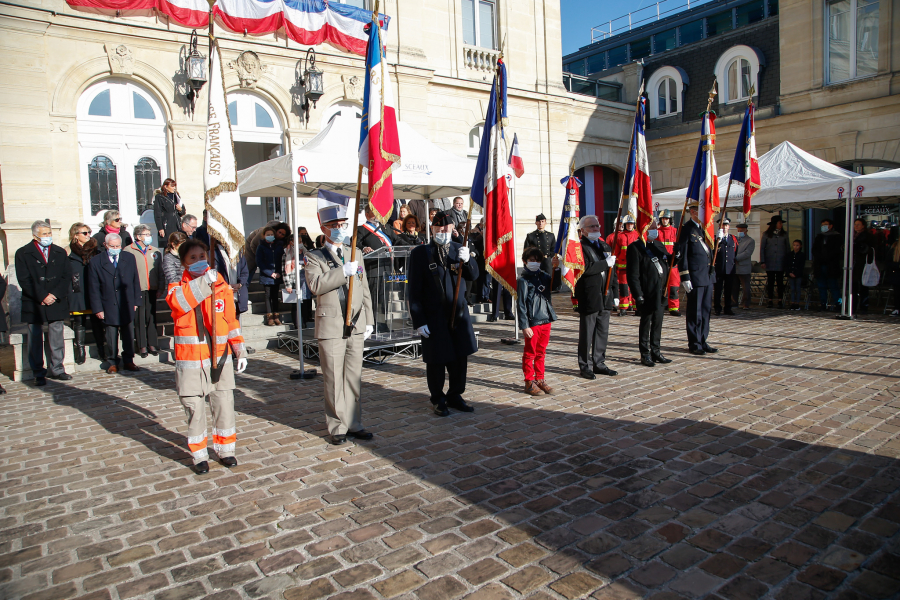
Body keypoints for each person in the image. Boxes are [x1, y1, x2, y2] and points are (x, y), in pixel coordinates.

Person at [167, 239, 248, 474]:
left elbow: (230, 321)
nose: (199, 261)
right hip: (191, 362)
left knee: (224, 404)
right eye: (193, 258)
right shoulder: (177, 288)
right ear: (183, 263)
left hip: (218, 359)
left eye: (202, 256)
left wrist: (239, 349)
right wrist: (204, 282)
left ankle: (226, 450)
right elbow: (181, 303)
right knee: (195, 410)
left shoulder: (220, 284)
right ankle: (199, 454)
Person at [305, 196, 375, 445]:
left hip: (355, 322)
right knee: (334, 378)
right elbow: (315, 285)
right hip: (332, 324)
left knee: (354, 376)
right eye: (334, 224)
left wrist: (369, 318)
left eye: (343, 224)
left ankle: (355, 422)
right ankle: (337, 426)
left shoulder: (354, 252)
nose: (340, 229)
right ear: (324, 228)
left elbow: (364, 287)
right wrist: (341, 273)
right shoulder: (314, 257)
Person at [408, 210, 479, 416]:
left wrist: (469, 260)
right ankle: (438, 398)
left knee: (459, 358)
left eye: (446, 227)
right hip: (434, 315)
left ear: (452, 229)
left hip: (458, 314)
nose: (443, 230)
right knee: (436, 359)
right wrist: (418, 319)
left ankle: (455, 394)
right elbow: (413, 290)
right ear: (432, 228)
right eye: (438, 227)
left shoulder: (459, 249)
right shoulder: (420, 253)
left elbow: (473, 274)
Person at [15, 221, 73, 385]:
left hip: (56, 299)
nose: (48, 236)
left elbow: (66, 275)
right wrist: (42, 296)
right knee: (35, 336)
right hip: (35, 301)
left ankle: (57, 368)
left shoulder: (59, 252)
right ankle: (38, 372)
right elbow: (24, 279)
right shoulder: (23, 253)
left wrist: (54, 294)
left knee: (56, 334)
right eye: (44, 234)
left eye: (49, 233)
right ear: (35, 235)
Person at [87, 233, 142, 374]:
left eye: (118, 246)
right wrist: (98, 308)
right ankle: (112, 361)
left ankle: (129, 359)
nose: (116, 248)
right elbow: (93, 287)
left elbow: (135, 280)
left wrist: (136, 300)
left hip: (126, 301)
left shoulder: (129, 258)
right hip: (108, 302)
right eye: (112, 246)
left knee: (129, 334)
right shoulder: (96, 261)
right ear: (105, 245)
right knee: (111, 335)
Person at [572, 215, 618, 379]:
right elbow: (584, 268)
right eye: (591, 226)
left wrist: (616, 293)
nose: (595, 229)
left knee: (602, 332)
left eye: (597, 226)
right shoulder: (579, 247)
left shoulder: (604, 246)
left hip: (605, 295)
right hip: (590, 295)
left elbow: (613, 273)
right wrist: (606, 263)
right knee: (587, 333)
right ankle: (585, 365)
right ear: (582, 230)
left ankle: (599, 363)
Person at [626, 219, 672, 367]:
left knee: (658, 322)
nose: (655, 229)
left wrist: (677, 254)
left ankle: (656, 351)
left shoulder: (658, 245)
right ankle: (645, 353)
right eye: (651, 227)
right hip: (647, 291)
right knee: (646, 323)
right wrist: (637, 295)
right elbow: (633, 275)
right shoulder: (635, 247)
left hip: (660, 291)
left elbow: (669, 262)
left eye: (655, 227)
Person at [517, 247, 558, 396]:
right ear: (525, 262)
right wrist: (524, 325)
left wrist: (556, 268)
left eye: (537, 260)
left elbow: (556, 285)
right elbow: (521, 304)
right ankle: (529, 381)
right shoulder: (523, 280)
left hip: (546, 319)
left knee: (541, 352)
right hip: (532, 322)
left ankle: (540, 378)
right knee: (530, 353)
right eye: (531, 260)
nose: (535, 263)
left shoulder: (545, 276)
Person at [678, 202, 717, 355]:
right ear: (693, 212)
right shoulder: (686, 229)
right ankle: (694, 343)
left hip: (707, 275)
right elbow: (683, 255)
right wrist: (685, 276)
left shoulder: (704, 229)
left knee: (706, 310)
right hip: (694, 276)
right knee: (695, 311)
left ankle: (703, 339)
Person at [124, 224, 166, 358]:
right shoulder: (128, 250)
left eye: (149, 234)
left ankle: (152, 343)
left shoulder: (155, 251)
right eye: (146, 235)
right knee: (140, 319)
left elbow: (160, 271)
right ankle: (142, 345)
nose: (149, 237)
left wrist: (161, 287)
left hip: (152, 288)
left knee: (151, 317)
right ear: (138, 236)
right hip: (138, 289)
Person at [66, 222, 105, 365]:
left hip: (93, 289)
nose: (88, 235)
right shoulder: (68, 251)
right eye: (84, 233)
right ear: (76, 235)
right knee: (79, 322)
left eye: (89, 232)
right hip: (77, 290)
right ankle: (80, 351)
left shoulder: (96, 250)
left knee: (97, 321)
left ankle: (101, 349)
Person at [607, 215, 639, 316]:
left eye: (631, 224)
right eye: (628, 224)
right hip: (622, 267)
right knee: (624, 288)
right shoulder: (619, 236)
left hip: (635, 266)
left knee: (635, 287)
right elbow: (615, 253)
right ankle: (623, 308)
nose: (630, 226)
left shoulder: (638, 235)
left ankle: (637, 307)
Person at [811, 218, 843, 311]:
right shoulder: (819, 237)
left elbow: (837, 251)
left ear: (831, 226)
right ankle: (823, 304)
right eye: (822, 225)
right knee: (821, 286)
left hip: (831, 265)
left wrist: (827, 257)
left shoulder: (837, 236)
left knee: (834, 286)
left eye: (825, 224)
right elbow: (814, 249)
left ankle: (838, 304)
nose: (823, 227)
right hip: (820, 265)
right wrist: (819, 257)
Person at [256, 226, 284, 326]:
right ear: (264, 236)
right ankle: (270, 317)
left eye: (272, 234)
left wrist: (279, 273)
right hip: (266, 275)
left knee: (275, 295)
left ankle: (276, 316)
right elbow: (260, 262)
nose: (270, 236)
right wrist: (270, 273)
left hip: (277, 275)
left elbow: (282, 260)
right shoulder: (261, 247)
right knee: (268, 295)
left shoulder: (278, 246)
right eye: (268, 235)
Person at [759, 215, 790, 308]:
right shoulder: (766, 234)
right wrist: (763, 261)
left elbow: (787, 248)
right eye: (780, 223)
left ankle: (780, 299)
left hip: (781, 261)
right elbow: (762, 248)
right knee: (771, 281)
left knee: (780, 282)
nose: (781, 225)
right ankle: (770, 299)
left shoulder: (784, 234)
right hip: (770, 261)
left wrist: (787, 261)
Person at [657, 210, 681, 316]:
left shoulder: (676, 231)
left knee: (674, 286)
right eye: (663, 218)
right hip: (661, 263)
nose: (665, 220)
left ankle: (674, 308)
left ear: (670, 220)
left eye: (666, 218)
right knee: (660, 286)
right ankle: (661, 305)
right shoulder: (657, 232)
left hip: (672, 263)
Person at [713, 218, 738, 316]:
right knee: (718, 290)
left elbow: (735, 252)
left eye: (726, 225)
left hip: (729, 268)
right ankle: (717, 308)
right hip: (719, 268)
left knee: (728, 290)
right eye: (722, 225)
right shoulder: (716, 238)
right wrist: (718, 241)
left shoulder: (733, 239)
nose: (724, 227)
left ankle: (728, 308)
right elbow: (713, 251)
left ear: (729, 226)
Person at [524, 213, 557, 278]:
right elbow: (526, 251)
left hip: (547, 262)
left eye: (542, 221)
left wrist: (549, 257)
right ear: (536, 223)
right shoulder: (531, 236)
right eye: (539, 221)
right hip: (536, 262)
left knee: (549, 281)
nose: (541, 223)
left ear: (545, 223)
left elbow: (554, 249)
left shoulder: (551, 235)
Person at [852, 218, 874, 314]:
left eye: (858, 224)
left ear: (863, 226)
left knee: (863, 286)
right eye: (855, 224)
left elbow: (868, 249)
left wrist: (857, 246)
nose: (856, 226)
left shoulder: (868, 236)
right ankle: (853, 305)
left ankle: (863, 306)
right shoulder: (852, 236)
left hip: (863, 264)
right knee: (853, 286)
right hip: (853, 264)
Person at [732, 222, 756, 310]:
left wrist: (736, 258)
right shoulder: (734, 239)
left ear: (746, 231)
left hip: (744, 267)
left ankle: (746, 303)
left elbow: (747, 253)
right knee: (734, 286)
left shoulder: (750, 241)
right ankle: (734, 302)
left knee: (746, 287)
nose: (739, 232)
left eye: (741, 230)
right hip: (735, 267)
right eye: (738, 230)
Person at [787, 239, 805, 310]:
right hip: (790, 274)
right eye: (794, 245)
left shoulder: (802, 255)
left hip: (798, 275)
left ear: (800, 246)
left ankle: (797, 303)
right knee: (792, 289)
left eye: (797, 245)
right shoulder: (789, 254)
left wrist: (796, 274)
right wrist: (789, 272)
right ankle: (792, 303)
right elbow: (787, 264)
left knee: (797, 289)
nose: (795, 247)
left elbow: (801, 266)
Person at [888, 238, 900, 316]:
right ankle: (897, 308)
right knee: (897, 292)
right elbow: (888, 263)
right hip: (897, 275)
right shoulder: (895, 248)